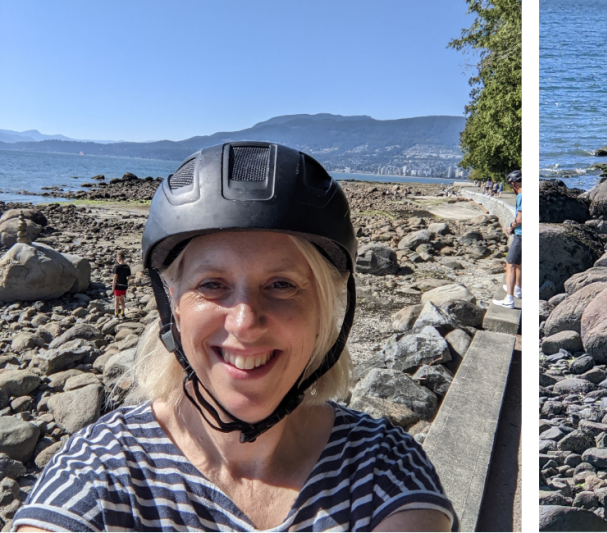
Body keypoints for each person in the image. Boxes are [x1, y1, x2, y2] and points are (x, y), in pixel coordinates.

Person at [14, 143, 454, 532]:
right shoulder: (101, 471)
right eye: (212, 284)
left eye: (282, 284)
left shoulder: (384, 469)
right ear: (174, 306)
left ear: (324, 308)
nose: (244, 322)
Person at [495, 171, 522, 308]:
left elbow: (520, 219)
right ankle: (517, 289)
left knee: (510, 264)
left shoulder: (521, 196)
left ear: (512, 183)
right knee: (520, 264)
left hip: (521, 235)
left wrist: (511, 226)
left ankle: (509, 300)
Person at [112, 251, 133, 317]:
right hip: (124, 285)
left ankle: (116, 314)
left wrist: (113, 285)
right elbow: (129, 277)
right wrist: (127, 283)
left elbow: (115, 277)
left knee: (117, 300)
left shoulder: (117, 267)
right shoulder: (127, 267)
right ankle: (122, 313)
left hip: (118, 285)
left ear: (118, 259)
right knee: (122, 299)